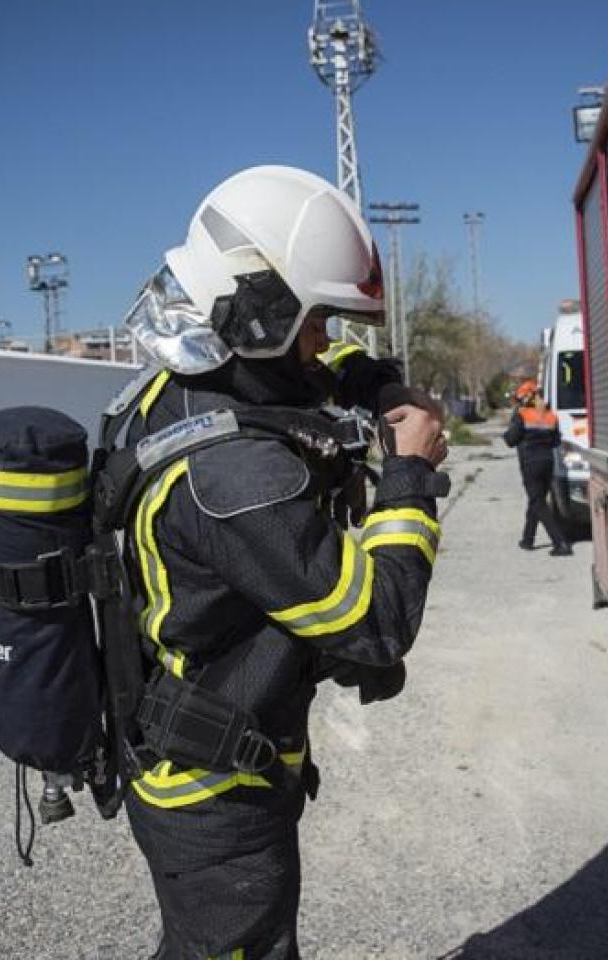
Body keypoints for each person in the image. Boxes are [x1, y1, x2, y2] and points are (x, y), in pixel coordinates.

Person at [109, 165, 448, 959]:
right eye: (317, 322)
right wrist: (408, 478)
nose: (327, 344)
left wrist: (374, 381)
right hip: (214, 795)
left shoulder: (186, 388)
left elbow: (303, 381)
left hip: (197, 762)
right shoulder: (236, 478)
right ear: (260, 313)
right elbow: (375, 625)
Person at [503, 379, 572, 556]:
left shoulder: (522, 416)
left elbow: (510, 440)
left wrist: (513, 421)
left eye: (519, 399)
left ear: (526, 398)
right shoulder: (550, 415)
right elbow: (556, 440)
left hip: (530, 464)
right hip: (548, 462)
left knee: (538, 502)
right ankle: (528, 539)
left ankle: (560, 542)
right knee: (536, 499)